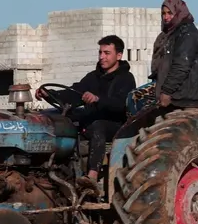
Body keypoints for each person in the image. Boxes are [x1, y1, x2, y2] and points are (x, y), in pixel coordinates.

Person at [36, 35, 136, 191]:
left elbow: (121, 105)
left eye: (107, 53)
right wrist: (49, 94)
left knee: (98, 126)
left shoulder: (126, 79)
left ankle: (92, 176)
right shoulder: (93, 77)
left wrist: (97, 99)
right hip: (91, 122)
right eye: (100, 52)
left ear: (119, 55)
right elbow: (74, 93)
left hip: (115, 125)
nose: (102, 57)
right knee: (62, 118)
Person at [150, 0, 198, 110]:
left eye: (170, 13)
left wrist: (167, 91)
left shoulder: (187, 34)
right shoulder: (171, 34)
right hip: (177, 98)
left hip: (187, 100)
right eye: (163, 13)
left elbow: (181, 65)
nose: (166, 17)